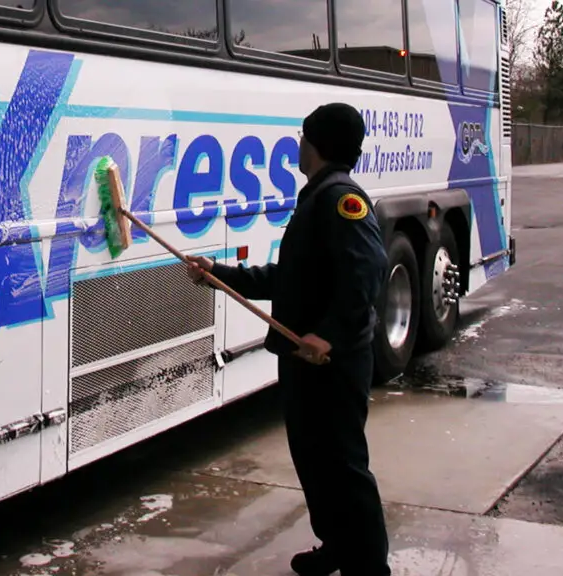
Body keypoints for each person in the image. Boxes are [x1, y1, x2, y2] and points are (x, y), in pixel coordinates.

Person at [185, 102, 391, 576]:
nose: (298, 144)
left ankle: (370, 568)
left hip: (330, 364)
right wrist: (220, 274)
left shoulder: (341, 199)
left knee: (343, 467)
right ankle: (338, 545)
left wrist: (329, 336)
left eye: (303, 136)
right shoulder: (316, 195)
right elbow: (292, 279)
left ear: (316, 144)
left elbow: (369, 271)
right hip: (303, 359)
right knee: (315, 463)